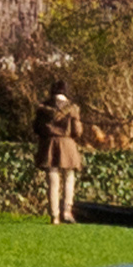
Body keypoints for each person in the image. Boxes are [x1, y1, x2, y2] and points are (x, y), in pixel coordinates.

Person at [37, 81, 88, 227]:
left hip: (50, 145)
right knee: (69, 178)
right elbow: (77, 131)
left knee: (52, 181)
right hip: (67, 145)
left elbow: (37, 128)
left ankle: (54, 216)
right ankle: (67, 211)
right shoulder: (72, 109)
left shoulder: (43, 108)